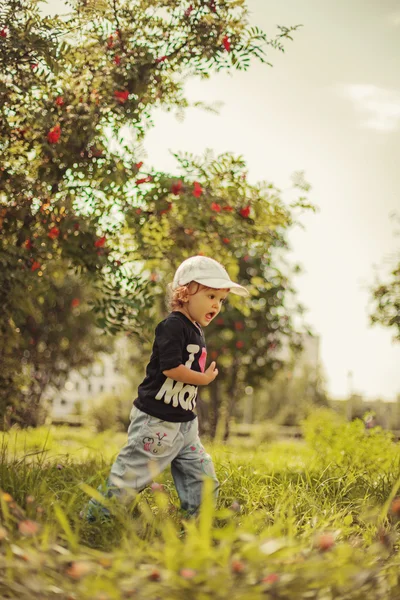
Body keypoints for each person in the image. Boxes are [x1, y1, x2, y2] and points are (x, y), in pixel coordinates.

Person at [81, 255, 249, 522]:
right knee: (132, 473)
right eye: (210, 296)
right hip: (156, 420)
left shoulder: (195, 329)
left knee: (200, 472)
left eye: (221, 300)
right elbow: (171, 368)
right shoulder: (172, 326)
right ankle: (96, 519)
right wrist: (202, 379)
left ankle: (198, 521)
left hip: (184, 422)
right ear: (185, 292)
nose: (216, 305)